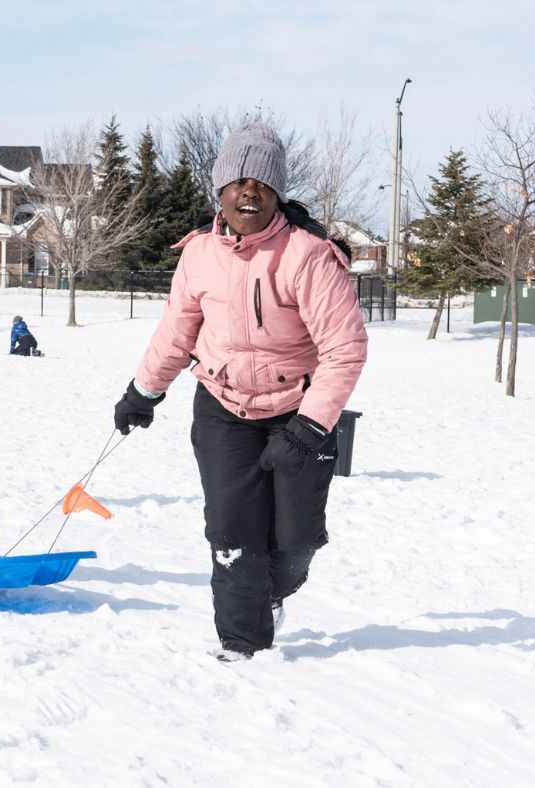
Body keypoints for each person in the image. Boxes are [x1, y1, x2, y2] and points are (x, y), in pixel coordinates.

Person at [112, 122, 368, 661]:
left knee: (294, 540)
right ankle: (240, 643)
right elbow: (177, 332)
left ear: (277, 194)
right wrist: (143, 392)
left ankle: (274, 593)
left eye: (262, 182)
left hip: (298, 411)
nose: (248, 191)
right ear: (221, 191)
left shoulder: (308, 256)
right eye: (237, 181)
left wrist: (307, 428)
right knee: (232, 531)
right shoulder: (200, 254)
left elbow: (344, 349)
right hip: (223, 408)